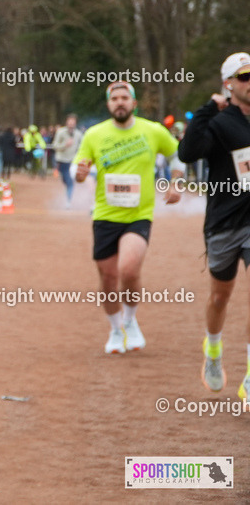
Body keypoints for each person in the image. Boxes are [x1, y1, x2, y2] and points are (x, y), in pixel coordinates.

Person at [74, 82, 182, 355]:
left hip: (139, 214)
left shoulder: (152, 130)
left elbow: (177, 155)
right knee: (108, 278)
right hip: (105, 215)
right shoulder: (94, 134)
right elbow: (79, 172)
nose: (119, 102)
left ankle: (131, 320)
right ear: (108, 104)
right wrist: (81, 172)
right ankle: (115, 328)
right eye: (114, 98)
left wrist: (176, 183)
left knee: (129, 270)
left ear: (134, 103)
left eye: (124, 98)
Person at [177, 52, 250, 395]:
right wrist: (208, 108)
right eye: (244, 76)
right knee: (220, 298)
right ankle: (213, 350)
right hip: (223, 222)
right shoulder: (220, 123)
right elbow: (188, 153)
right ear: (229, 84)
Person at [52, 114, 81, 207]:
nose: (71, 125)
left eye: (73, 123)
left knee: (70, 182)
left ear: (75, 123)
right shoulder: (61, 132)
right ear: (66, 123)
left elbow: (82, 147)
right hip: (62, 161)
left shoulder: (78, 134)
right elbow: (55, 146)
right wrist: (65, 145)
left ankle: (68, 201)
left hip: (73, 162)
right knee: (65, 180)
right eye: (69, 123)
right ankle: (68, 197)